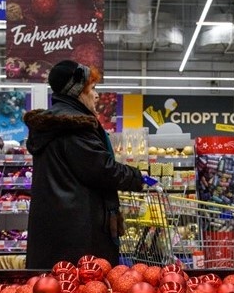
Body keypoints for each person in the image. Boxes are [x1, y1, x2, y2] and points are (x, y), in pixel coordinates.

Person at [23, 60, 146, 269]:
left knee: (55, 283)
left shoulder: (50, 125)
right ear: (78, 91)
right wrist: (138, 177)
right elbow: (102, 170)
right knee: (83, 283)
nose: (96, 95)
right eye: (93, 88)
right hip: (78, 231)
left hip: (54, 228)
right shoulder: (75, 126)